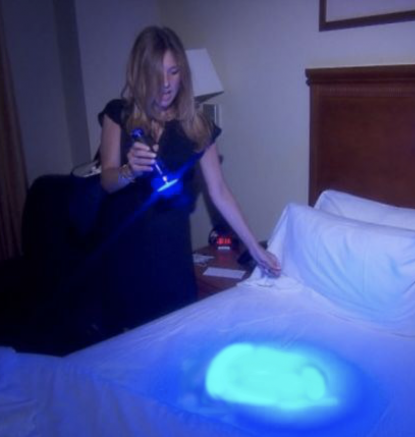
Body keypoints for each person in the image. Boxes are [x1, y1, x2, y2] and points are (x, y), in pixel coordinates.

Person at [95, 26, 280, 333]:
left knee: (174, 338)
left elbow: (219, 191)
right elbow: (107, 180)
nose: (166, 84)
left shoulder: (197, 125)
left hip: (171, 251)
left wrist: (255, 248)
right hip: (124, 250)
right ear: (141, 74)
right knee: (126, 343)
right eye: (157, 74)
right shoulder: (119, 114)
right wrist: (129, 171)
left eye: (173, 71)